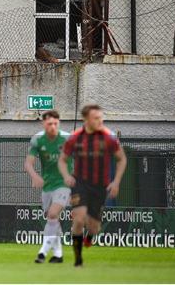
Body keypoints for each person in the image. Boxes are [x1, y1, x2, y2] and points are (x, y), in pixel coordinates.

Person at [58, 104, 127, 267]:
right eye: (96, 118)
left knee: (94, 227)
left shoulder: (108, 138)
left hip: (100, 187)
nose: (100, 121)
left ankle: (89, 237)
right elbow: (62, 160)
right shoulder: (75, 138)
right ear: (86, 119)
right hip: (79, 183)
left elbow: (122, 159)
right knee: (79, 219)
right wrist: (67, 176)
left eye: (101, 117)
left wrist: (116, 181)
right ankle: (78, 258)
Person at [24, 110, 72, 264]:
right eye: (49, 123)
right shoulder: (38, 140)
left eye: (56, 123)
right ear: (43, 123)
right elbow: (28, 163)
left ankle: (42, 252)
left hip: (63, 185)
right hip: (47, 185)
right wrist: (35, 176)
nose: (53, 126)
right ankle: (58, 254)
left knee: (52, 214)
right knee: (52, 219)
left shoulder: (67, 139)